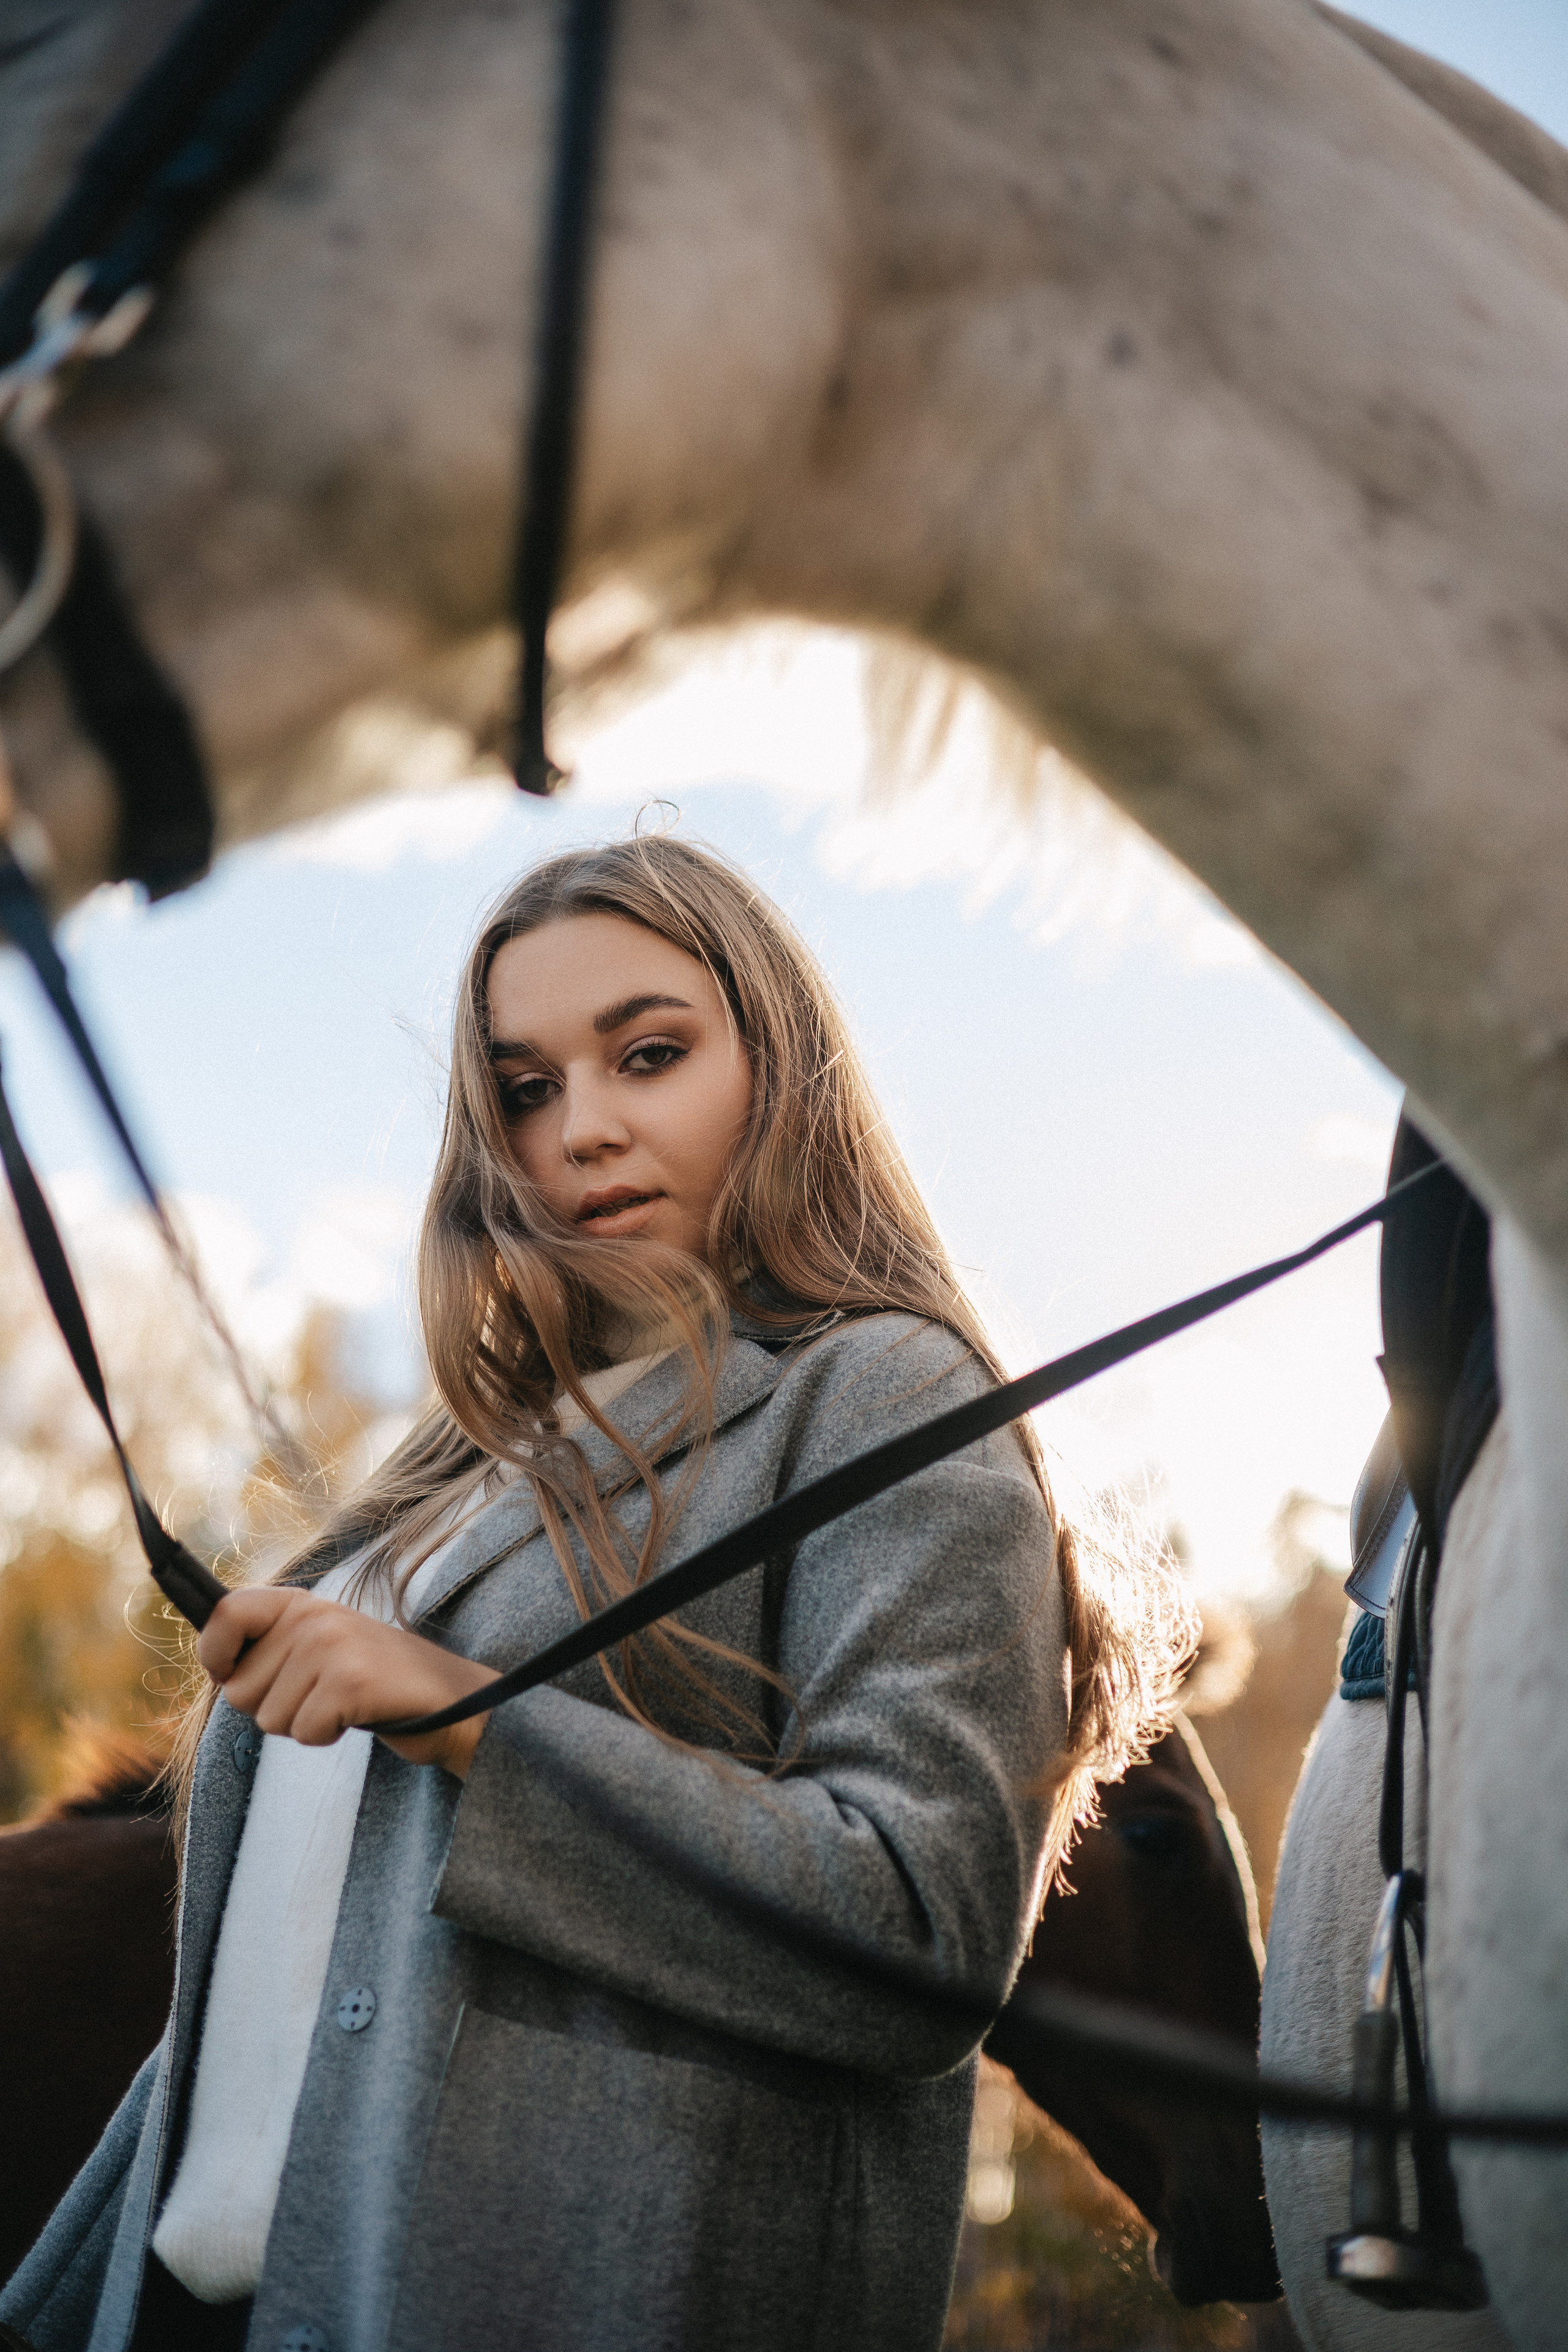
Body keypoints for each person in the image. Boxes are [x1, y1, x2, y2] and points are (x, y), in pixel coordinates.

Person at [1, 835, 1184, 2352]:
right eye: (525, 1088)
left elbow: (915, 1930)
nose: (581, 1129)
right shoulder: (456, 1465)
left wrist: (471, 1724)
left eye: (647, 1054)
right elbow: (253, 2011)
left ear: (785, 1063)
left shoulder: (885, 1394)